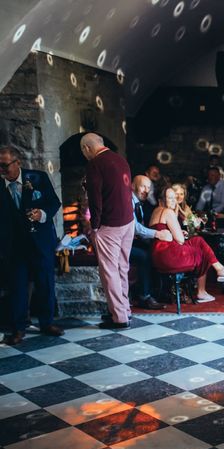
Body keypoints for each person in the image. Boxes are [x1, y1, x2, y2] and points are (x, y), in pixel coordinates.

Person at [0, 146, 64, 345]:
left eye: (4, 165)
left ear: (17, 162)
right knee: (17, 287)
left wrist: (41, 214)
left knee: (45, 283)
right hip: (13, 246)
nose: (1, 170)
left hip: (40, 241)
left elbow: (54, 203)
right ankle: (18, 329)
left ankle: (47, 323)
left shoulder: (38, 178)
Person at [149, 187, 224, 303]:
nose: (174, 200)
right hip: (169, 256)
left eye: (174, 197)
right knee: (203, 252)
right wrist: (178, 234)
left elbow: (165, 232)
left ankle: (219, 270)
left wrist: (176, 233)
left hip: (158, 255)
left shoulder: (156, 211)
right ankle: (203, 290)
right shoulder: (167, 211)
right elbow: (180, 240)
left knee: (198, 241)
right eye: (170, 198)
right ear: (161, 200)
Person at [82, 133, 135, 328]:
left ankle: (119, 318)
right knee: (122, 267)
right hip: (128, 221)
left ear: (87, 148)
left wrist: (94, 227)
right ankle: (125, 309)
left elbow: (96, 200)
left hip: (111, 224)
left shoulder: (95, 164)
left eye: (84, 151)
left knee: (109, 272)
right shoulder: (120, 159)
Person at [130, 175, 171, 310]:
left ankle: (159, 291)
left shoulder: (139, 204)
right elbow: (135, 228)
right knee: (145, 256)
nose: (146, 190)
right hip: (122, 244)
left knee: (157, 250)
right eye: (143, 186)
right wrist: (157, 234)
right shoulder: (129, 201)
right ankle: (144, 296)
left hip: (133, 241)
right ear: (132, 186)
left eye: (148, 187)